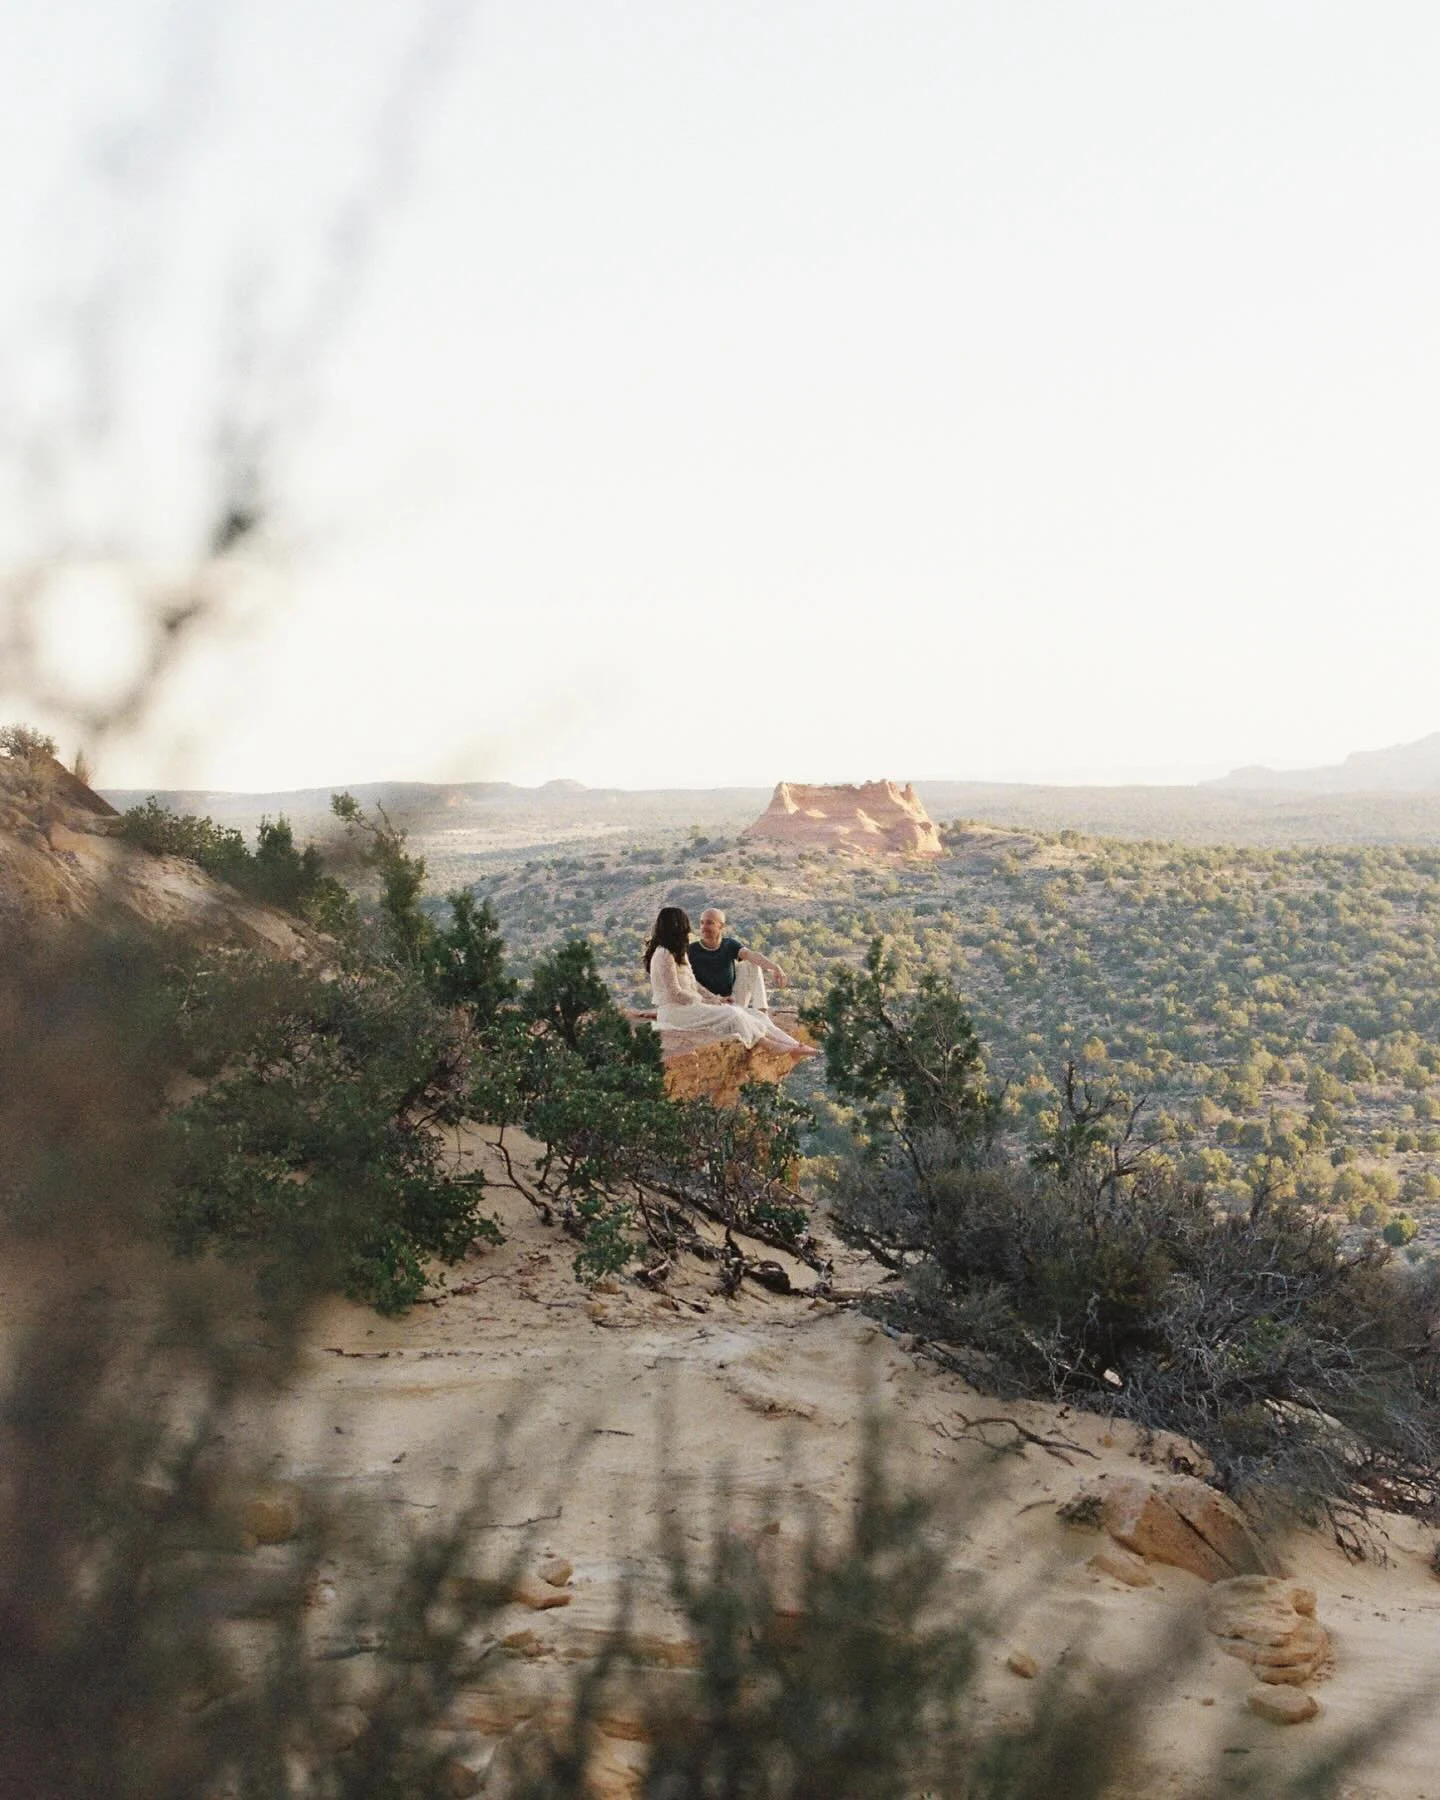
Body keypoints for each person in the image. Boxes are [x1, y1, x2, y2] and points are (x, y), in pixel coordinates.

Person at [644, 907, 817, 1056]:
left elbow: (693, 985)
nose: (691, 928)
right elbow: (675, 993)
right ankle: (769, 1045)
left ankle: (794, 1045)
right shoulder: (664, 954)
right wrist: (703, 1002)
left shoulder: (677, 953)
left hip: (692, 1006)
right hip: (676, 1012)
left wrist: (715, 999)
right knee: (733, 1014)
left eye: (709, 922)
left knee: (754, 1014)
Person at [687, 907, 788, 1012]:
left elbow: (751, 955)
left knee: (750, 964)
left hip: (732, 1001)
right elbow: (688, 982)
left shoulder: (729, 944)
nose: (704, 927)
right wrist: (715, 999)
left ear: (721, 926)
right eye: (702, 923)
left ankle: (762, 1012)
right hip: (707, 1003)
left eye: (709, 923)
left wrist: (775, 968)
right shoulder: (691, 950)